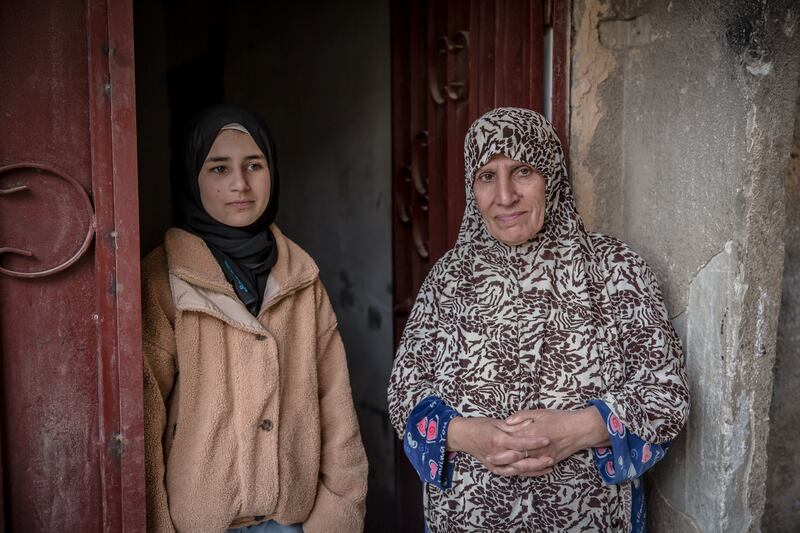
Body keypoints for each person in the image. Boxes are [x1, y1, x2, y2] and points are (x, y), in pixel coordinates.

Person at [387, 107, 690, 532]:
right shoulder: (449, 278)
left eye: (522, 171)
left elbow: (666, 394)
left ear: (551, 177)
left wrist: (578, 429)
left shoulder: (614, 268)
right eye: (487, 176)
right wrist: (470, 436)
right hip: (465, 519)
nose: (505, 196)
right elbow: (405, 395)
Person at [142, 105, 368, 533]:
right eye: (219, 168)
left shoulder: (301, 277)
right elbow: (145, 419)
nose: (240, 184)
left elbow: (335, 407)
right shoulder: (163, 279)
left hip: (293, 522)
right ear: (192, 177)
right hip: (198, 525)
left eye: (254, 165)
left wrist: (337, 515)